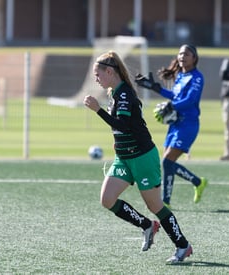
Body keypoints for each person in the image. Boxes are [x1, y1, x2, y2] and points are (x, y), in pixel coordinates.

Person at [83, 51, 193, 264]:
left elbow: (122, 124)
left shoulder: (124, 94)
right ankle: (146, 226)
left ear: (109, 71)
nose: (96, 78)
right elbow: (123, 129)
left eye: (98, 74)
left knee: (156, 206)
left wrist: (98, 110)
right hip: (124, 158)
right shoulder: (114, 92)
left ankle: (183, 246)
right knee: (107, 200)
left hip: (142, 157)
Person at [135, 44, 208, 208]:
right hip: (175, 124)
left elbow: (190, 100)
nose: (182, 56)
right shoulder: (181, 76)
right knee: (167, 162)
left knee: (167, 162)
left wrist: (172, 106)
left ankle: (170, 198)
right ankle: (191, 186)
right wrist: (155, 88)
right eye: (181, 54)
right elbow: (174, 96)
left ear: (194, 58)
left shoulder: (197, 77)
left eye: (187, 54)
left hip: (188, 125)